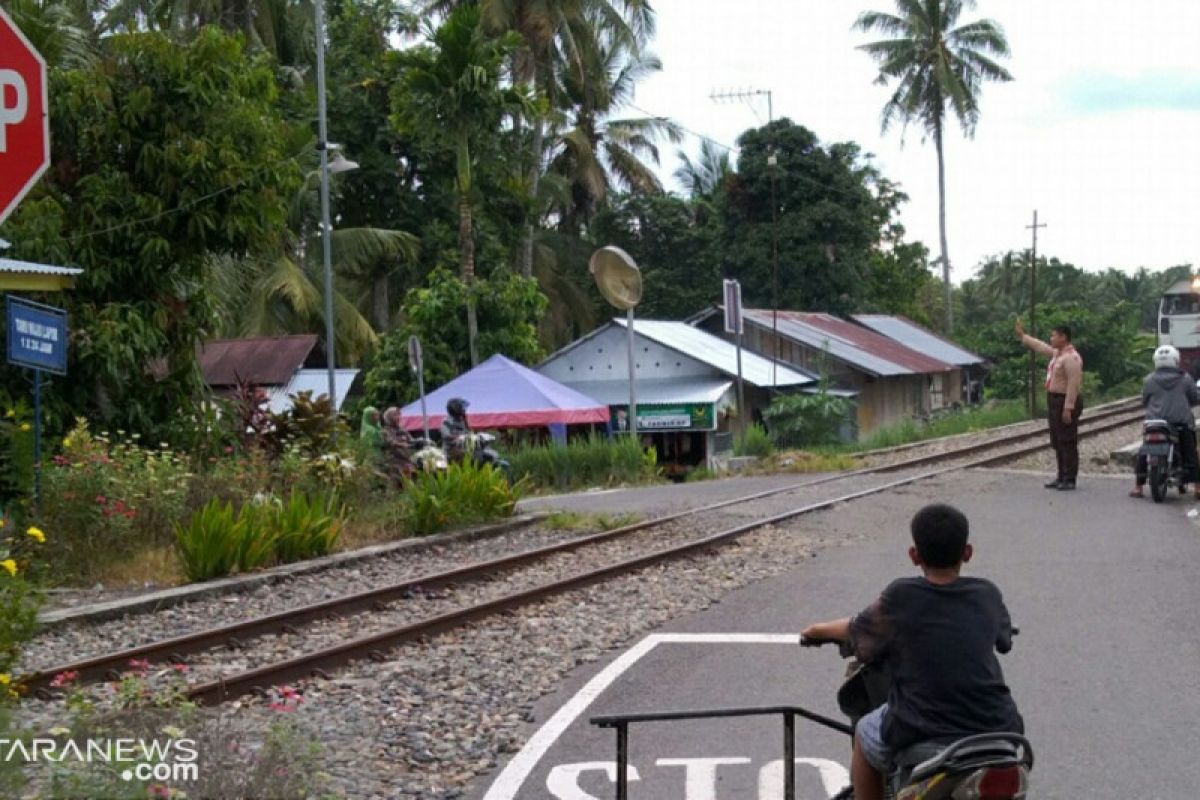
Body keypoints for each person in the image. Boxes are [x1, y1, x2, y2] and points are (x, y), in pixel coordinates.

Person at [802, 504, 1024, 800]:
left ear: (914, 555)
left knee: (865, 731)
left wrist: (815, 631)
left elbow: (855, 627)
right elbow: (1004, 640)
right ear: (967, 553)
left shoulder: (901, 596)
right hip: (997, 726)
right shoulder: (987, 593)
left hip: (923, 725)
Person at [1015, 319, 1084, 490]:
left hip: (1064, 400)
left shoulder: (1072, 358)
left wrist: (1068, 408)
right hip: (1054, 400)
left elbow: (1073, 385)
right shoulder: (1057, 354)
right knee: (1057, 440)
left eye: (1054, 336)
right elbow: (1040, 346)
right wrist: (1024, 337)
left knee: (1067, 440)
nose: (1051, 338)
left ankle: (1070, 478)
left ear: (1064, 337)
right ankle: (1061, 475)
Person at [1131, 345, 1200, 498]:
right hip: (1180, 422)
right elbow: (1194, 398)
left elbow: (1144, 400)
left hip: (1154, 422)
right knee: (1190, 452)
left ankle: (1138, 487)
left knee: (1144, 451)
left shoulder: (1149, 380)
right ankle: (1197, 487)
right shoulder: (1185, 378)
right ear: (1176, 360)